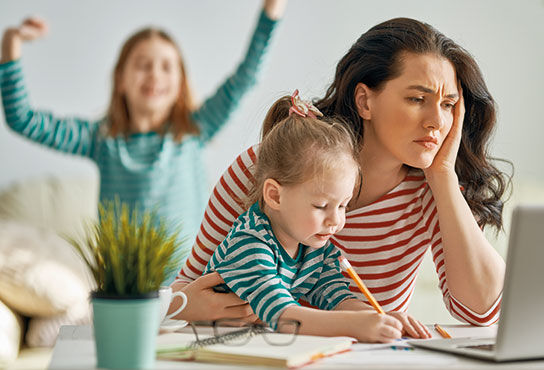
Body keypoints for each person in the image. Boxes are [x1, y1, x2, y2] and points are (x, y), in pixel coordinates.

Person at [171, 17, 509, 332]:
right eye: (417, 98)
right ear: (365, 101)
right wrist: (185, 307)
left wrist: (444, 176)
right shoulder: (263, 169)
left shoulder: (430, 190)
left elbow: (481, 312)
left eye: (448, 105)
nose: (436, 120)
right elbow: (185, 289)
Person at [0, 0, 286, 282]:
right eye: (142, 65)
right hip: (126, 288)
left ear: (180, 83)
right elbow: (23, 119)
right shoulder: (102, 140)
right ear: (121, 80)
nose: (154, 74)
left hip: (192, 284)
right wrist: (11, 43)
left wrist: (271, 11)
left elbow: (246, 77)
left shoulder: (194, 130)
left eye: (166, 66)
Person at [203, 91, 416, 342]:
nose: (335, 221)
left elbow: (337, 298)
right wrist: (354, 325)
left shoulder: (312, 244)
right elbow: (283, 316)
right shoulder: (249, 244)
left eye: (343, 206)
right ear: (275, 196)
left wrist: (378, 317)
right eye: (321, 205)